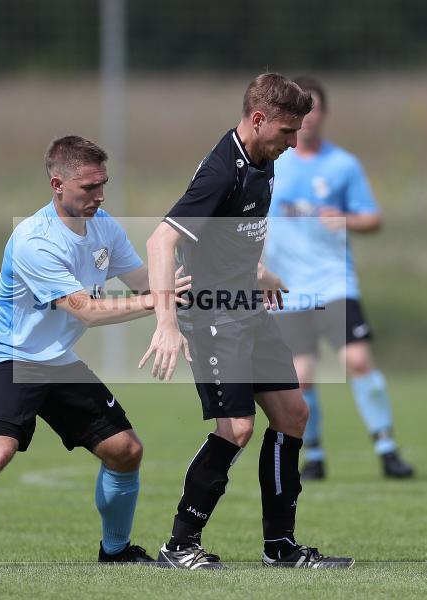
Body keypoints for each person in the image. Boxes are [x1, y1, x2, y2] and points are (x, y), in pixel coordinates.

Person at [0, 135, 191, 570]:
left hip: (54, 357)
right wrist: (157, 302)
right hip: (4, 350)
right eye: (89, 187)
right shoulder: (35, 239)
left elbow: (147, 282)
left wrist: (200, 279)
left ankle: (116, 552)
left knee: (125, 450)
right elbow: (86, 311)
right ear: (57, 184)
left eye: (103, 184)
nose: (99, 195)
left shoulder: (105, 226)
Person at [139, 73, 353, 569]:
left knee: (293, 414)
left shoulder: (262, 158)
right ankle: (179, 546)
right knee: (236, 427)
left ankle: (280, 548)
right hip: (214, 314)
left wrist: (257, 272)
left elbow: (223, 237)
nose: (293, 142)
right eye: (286, 131)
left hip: (246, 307)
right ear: (258, 120)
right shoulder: (222, 170)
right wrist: (167, 323)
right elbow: (161, 243)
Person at [264, 76, 415, 480]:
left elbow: (374, 219)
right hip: (288, 288)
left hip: (334, 283)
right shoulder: (274, 160)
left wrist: (345, 219)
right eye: (298, 114)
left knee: (357, 359)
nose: (306, 121)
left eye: (312, 112)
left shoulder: (343, 165)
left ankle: (387, 449)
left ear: (324, 114)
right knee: (301, 375)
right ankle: (313, 456)